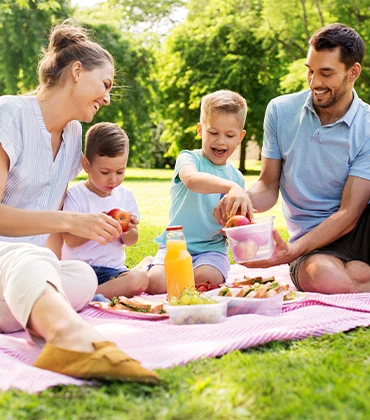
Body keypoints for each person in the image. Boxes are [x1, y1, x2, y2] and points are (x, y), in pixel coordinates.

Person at [0, 19, 158, 384]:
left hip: (24, 275)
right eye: (104, 85)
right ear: (76, 71)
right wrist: (71, 222)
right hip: (10, 260)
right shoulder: (10, 114)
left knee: (82, 275)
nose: (106, 97)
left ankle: (36, 303)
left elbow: (53, 212)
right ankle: (69, 339)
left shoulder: (74, 136)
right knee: (29, 259)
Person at [214, 23, 370, 295]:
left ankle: (357, 273)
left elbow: (350, 213)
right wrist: (241, 199)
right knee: (323, 277)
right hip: (313, 242)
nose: (315, 82)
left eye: (326, 73)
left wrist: (288, 253)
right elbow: (268, 185)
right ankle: (356, 273)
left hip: (359, 226)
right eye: (310, 71)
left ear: (352, 72)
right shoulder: (280, 111)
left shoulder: (367, 124)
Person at [147, 90, 253, 294]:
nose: (220, 141)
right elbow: (192, 180)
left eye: (229, 135)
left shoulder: (236, 178)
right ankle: (150, 264)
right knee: (156, 285)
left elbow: (234, 222)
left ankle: (190, 273)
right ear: (200, 130)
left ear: (240, 137)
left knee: (204, 280)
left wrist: (233, 229)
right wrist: (230, 187)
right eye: (213, 133)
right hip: (176, 246)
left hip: (210, 251)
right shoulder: (188, 159)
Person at [61, 122, 149, 299]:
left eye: (120, 172)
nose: (113, 179)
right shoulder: (76, 196)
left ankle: (88, 296)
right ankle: (89, 294)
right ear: (86, 165)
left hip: (113, 272)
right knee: (68, 281)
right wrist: (93, 227)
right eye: (105, 172)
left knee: (139, 280)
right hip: (81, 270)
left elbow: (131, 241)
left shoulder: (125, 197)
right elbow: (69, 240)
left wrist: (128, 230)